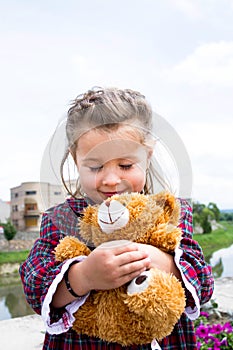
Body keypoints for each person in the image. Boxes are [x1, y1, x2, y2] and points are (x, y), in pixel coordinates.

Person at [20, 87, 214, 350]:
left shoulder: (170, 212)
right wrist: (84, 276)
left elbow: (203, 282)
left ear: (147, 156)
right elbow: (34, 282)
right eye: (95, 166)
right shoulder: (61, 219)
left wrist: (164, 262)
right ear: (76, 161)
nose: (111, 180)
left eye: (125, 165)